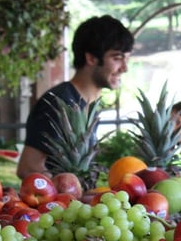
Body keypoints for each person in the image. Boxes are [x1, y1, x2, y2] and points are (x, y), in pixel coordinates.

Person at [17, 15, 134, 179]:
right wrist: (68, 190)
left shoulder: (89, 103)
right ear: (91, 58)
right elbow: (28, 168)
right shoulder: (58, 102)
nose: (125, 68)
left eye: (127, 58)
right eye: (117, 58)